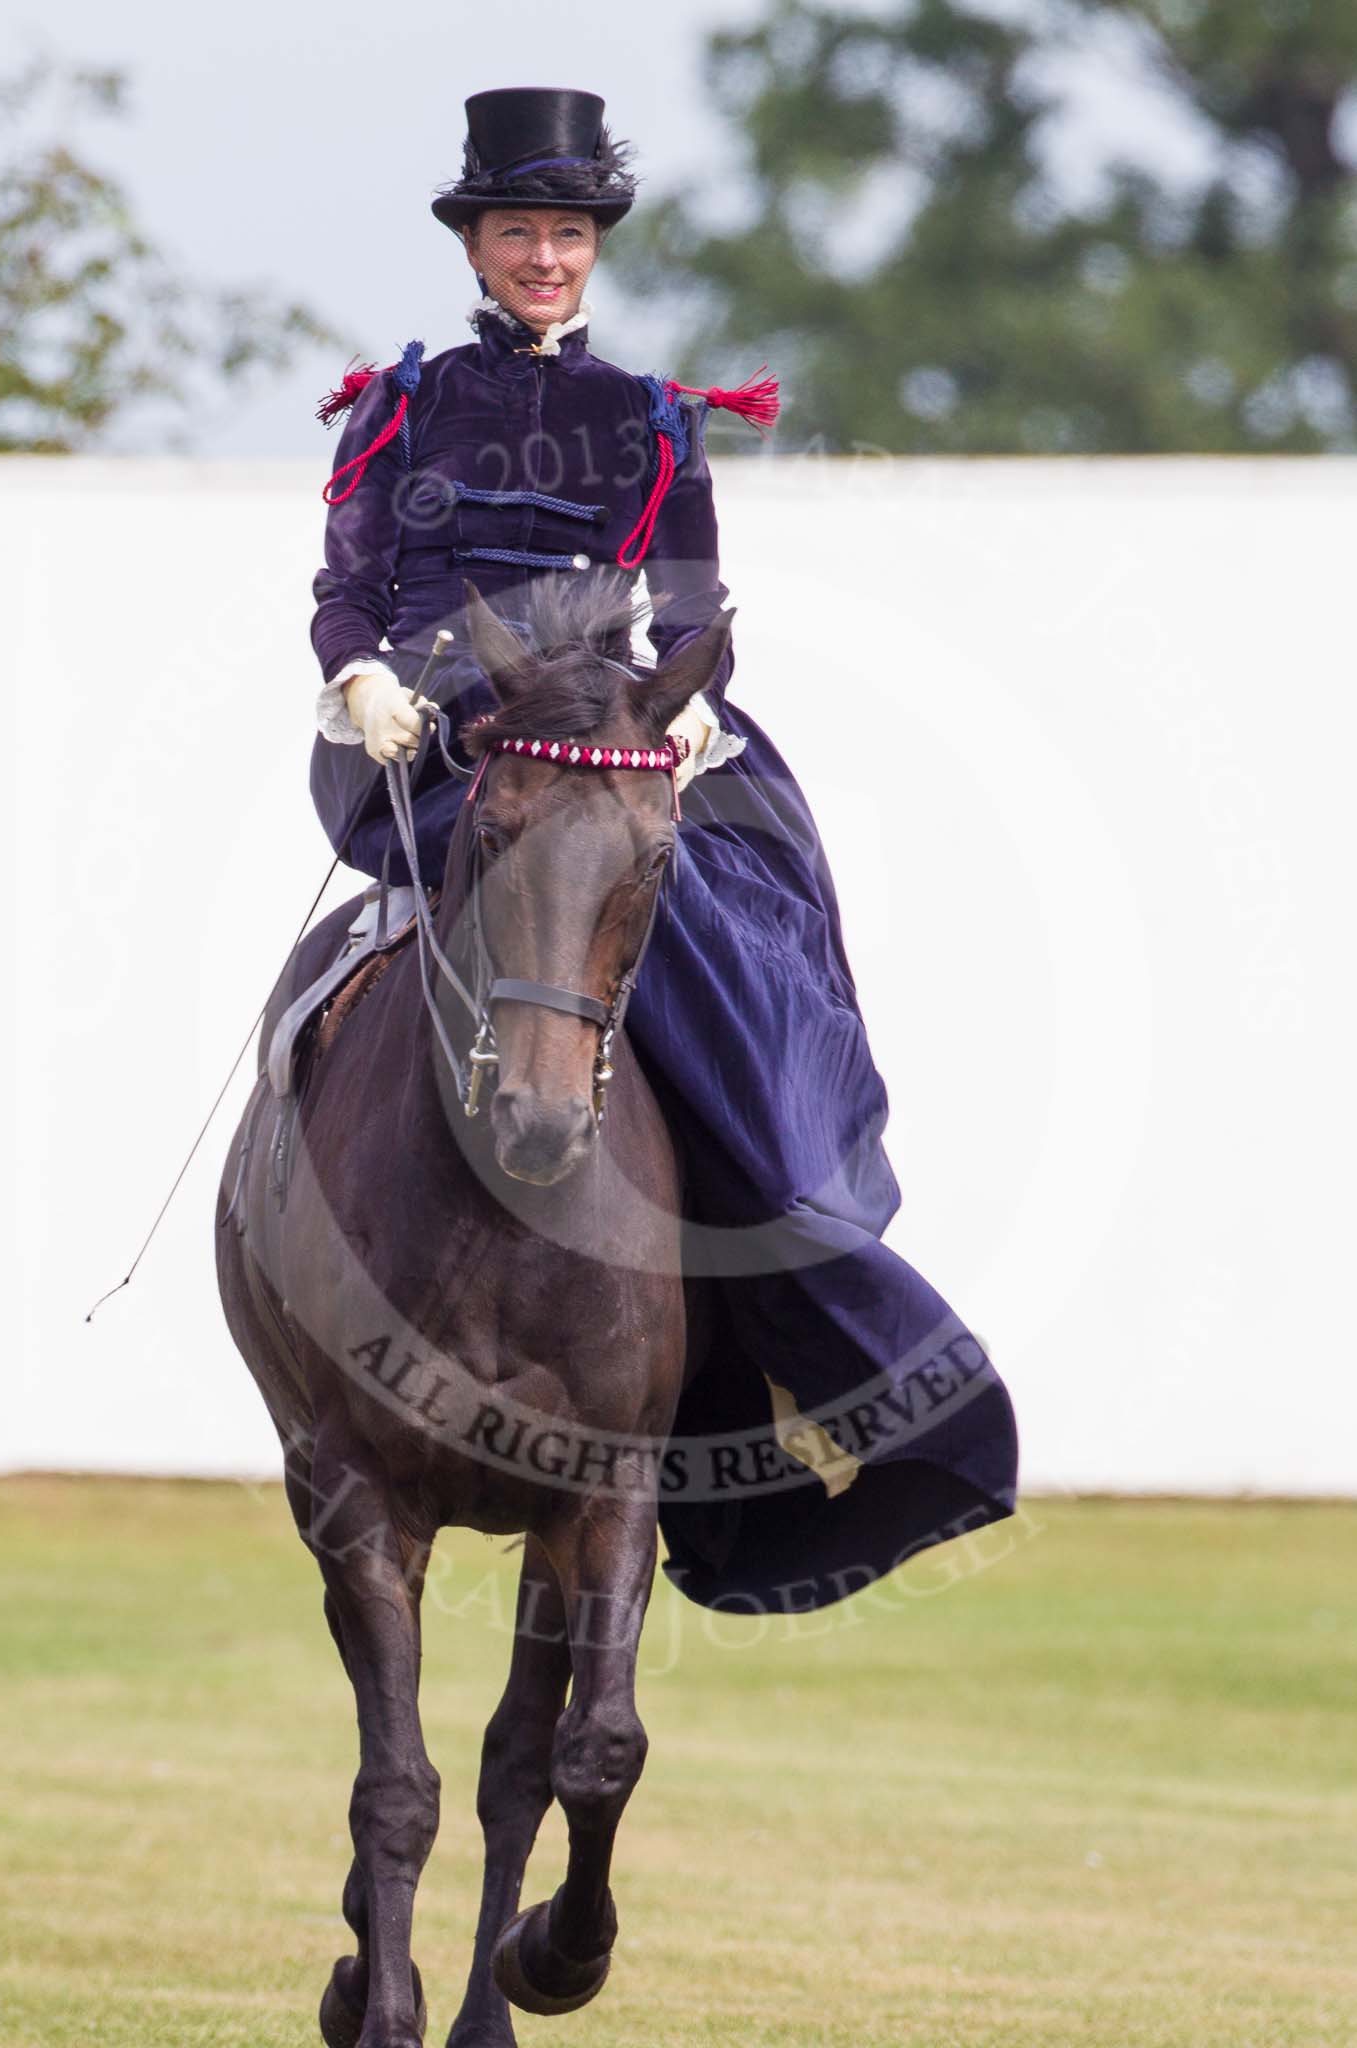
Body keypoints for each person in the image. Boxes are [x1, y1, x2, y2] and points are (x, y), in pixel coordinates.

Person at [307, 86, 1018, 1613]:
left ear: (589, 248)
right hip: (440, 741)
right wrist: (360, 670)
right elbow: (346, 585)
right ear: (480, 245)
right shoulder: (404, 404)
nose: (543, 255)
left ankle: (777, 1233)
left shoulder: (648, 415)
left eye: (565, 233)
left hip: (623, 730)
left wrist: (690, 714)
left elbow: (693, 611)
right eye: (519, 231)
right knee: (499, 885)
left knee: (714, 926)